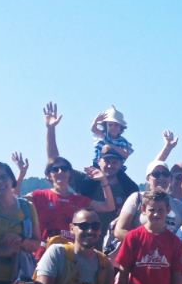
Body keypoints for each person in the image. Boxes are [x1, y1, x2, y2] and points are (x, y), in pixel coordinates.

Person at [45, 104, 136, 247]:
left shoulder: (130, 189)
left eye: (114, 162)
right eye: (107, 161)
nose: (110, 165)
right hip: (84, 247)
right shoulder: (85, 180)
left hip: (113, 250)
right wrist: (50, 129)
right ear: (98, 161)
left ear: (121, 164)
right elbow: (55, 162)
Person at [31, 104, 115, 243]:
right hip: (44, 252)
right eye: (55, 170)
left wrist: (104, 181)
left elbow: (109, 206)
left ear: (70, 174)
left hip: (72, 253)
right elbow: (14, 199)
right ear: (49, 175)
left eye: (64, 169)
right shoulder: (40, 196)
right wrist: (50, 129)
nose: (60, 171)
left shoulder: (78, 200)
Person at [114, 160, 182, 241]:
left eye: (165, 174)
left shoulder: (179, 205)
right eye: (156, 174)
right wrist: (145, 244)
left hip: (170, 249)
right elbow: (119, 230)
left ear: (170, 178)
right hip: (139, 248)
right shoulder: (137, 198)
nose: (161, 177)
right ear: (148, 179)